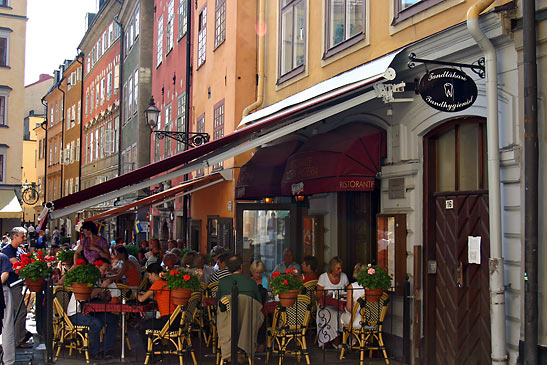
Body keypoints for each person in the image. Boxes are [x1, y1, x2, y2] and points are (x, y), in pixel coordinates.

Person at [64, 258, 118, 360]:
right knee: (96, 323)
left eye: (107, 270)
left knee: (112, 319)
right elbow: (87, 296)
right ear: (97, 267)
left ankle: (107, 349)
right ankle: (94, 352)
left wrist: (105, 295)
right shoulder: (87, 278)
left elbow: (99, 296)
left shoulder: (97, 280)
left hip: (91, 311)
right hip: (76, 313)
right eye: (104, 269)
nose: (105, 272)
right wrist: (102, 287)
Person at [1, 227, 32, 348]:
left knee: (17, 311)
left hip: (16, 284)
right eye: (22, 236)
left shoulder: (18, 250)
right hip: (11, 285)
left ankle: (18, 337)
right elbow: (18, 265)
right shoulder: (8, 251)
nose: (24, 238)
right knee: (20, 311)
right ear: (15, 237)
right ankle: (19, 339)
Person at [137, 263, 177, 345]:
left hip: (167, 321)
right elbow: (161, 298)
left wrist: (135, 294)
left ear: (153, 274)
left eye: (149, 275)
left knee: (142, 326)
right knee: (150, 323)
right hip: (176, 319)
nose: (149, 278)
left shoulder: (157, 283)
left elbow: (141, 299)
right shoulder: (166, 283)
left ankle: (153, 353)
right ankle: (157, 345)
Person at [316, 256, 349, 349]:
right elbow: (317, 296)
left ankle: (349, 340)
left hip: (340, 305)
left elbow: (347, 292)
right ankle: (334, 339)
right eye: (338, 268)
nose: (340, 270)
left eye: (341, 268)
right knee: (332, 313)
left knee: (346, 312)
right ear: (332, 268)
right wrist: (325, 294)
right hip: (325, 305)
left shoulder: (344, 276)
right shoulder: (323, 277)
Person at [1, 252, 16, 365]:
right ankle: (8, 361)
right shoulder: (3, 257)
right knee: (7, 326)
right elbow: (5, 275)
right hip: (2, 291)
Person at [341, 263, 365, 329]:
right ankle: (357, 338)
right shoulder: (373, 287)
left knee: (341, 316)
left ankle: (352, 337)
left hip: (358, 321)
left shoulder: (352, 287)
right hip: (373, 321)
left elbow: (349, 308)